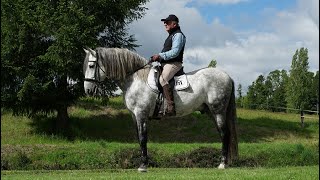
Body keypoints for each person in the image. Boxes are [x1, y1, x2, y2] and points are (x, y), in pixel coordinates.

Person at [151, 14, 186, 116]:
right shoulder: (171, 35)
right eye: (164, 22)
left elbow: (175, 52)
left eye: (167, 22)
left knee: (163, 79)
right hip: (167, 63)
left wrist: (160, 55)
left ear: (174, 24)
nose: (165, 24)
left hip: (174, 64)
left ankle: (170, 107)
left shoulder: (178, 35)